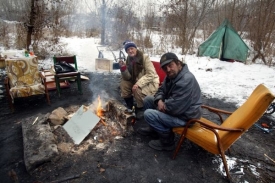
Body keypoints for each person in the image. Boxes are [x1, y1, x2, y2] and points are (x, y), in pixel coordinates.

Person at [138, 52, 202, 151]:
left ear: (178, 64)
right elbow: (161, 90)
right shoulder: (172, 76)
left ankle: (167, 141)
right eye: (164, 68)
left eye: (170, 65)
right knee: (148, 100)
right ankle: (154, 130)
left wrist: (163, 105)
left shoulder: (186, 80)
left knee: (149, 114)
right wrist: (159, 100)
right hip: (177, 110)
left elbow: (174, 108)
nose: (168, 70)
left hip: (186, 118)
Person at [119, 40, 159, 115]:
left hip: (150, 82)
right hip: (137, 80)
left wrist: (138, 84)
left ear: (135, 48)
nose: (130, 51)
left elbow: (151, 74)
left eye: (132, 48)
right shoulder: (129, 58)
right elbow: (128, 77)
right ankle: (130, 107)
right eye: (128, 50)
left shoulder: (144, 57)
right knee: (124, 84)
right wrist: (123, 69)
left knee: (136, 88)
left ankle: (141, 109)